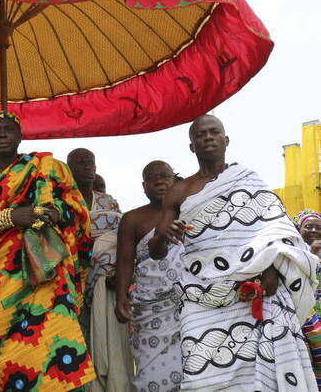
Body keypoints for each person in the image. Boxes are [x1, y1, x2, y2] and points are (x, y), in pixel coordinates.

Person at [151, 115, 319, 390]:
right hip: (199, 295)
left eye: (214, 132)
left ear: (226, 140)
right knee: (200, 373)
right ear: (192, 146)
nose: (208, 137)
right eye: (201, 135)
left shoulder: (249, 181)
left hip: (252, 289)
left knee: (258, 372)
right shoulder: (178, 191)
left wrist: (271, 269)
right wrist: (163, 234)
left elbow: (277, 232)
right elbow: (156, 251)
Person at [0, 111, 94, 391]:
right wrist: (11, 217)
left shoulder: (45, 168)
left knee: (56, 343)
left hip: (45, 274)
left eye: (8, 129)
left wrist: (54, 214)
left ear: (20, 136)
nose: (2, 134)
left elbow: (77, 209)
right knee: (6, 355)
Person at [67, 148, 132, 391]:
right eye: (81, 163)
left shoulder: (108, 202)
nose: (88, 167)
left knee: (106, 337)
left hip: (104, 281)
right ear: (68, 169)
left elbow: (119, 238)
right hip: (71, 279)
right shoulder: (62, 201)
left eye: (91, 162)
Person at [114, 161, 182, 392]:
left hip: (188, 305)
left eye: (164, 176)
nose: (159, 181)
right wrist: (121, 297)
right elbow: (125, 261)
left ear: (174, 181)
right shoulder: (133, 219)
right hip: (150, 308)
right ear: (144, 187)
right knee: (152, 377)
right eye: (152, 179)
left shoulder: (191, 211)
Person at [293, 209, 321, 389]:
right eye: (308, 227)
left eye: (318, 227)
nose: (314, 231)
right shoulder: (292, 252)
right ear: (298, 229)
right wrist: (312, 255)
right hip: (302, 315)